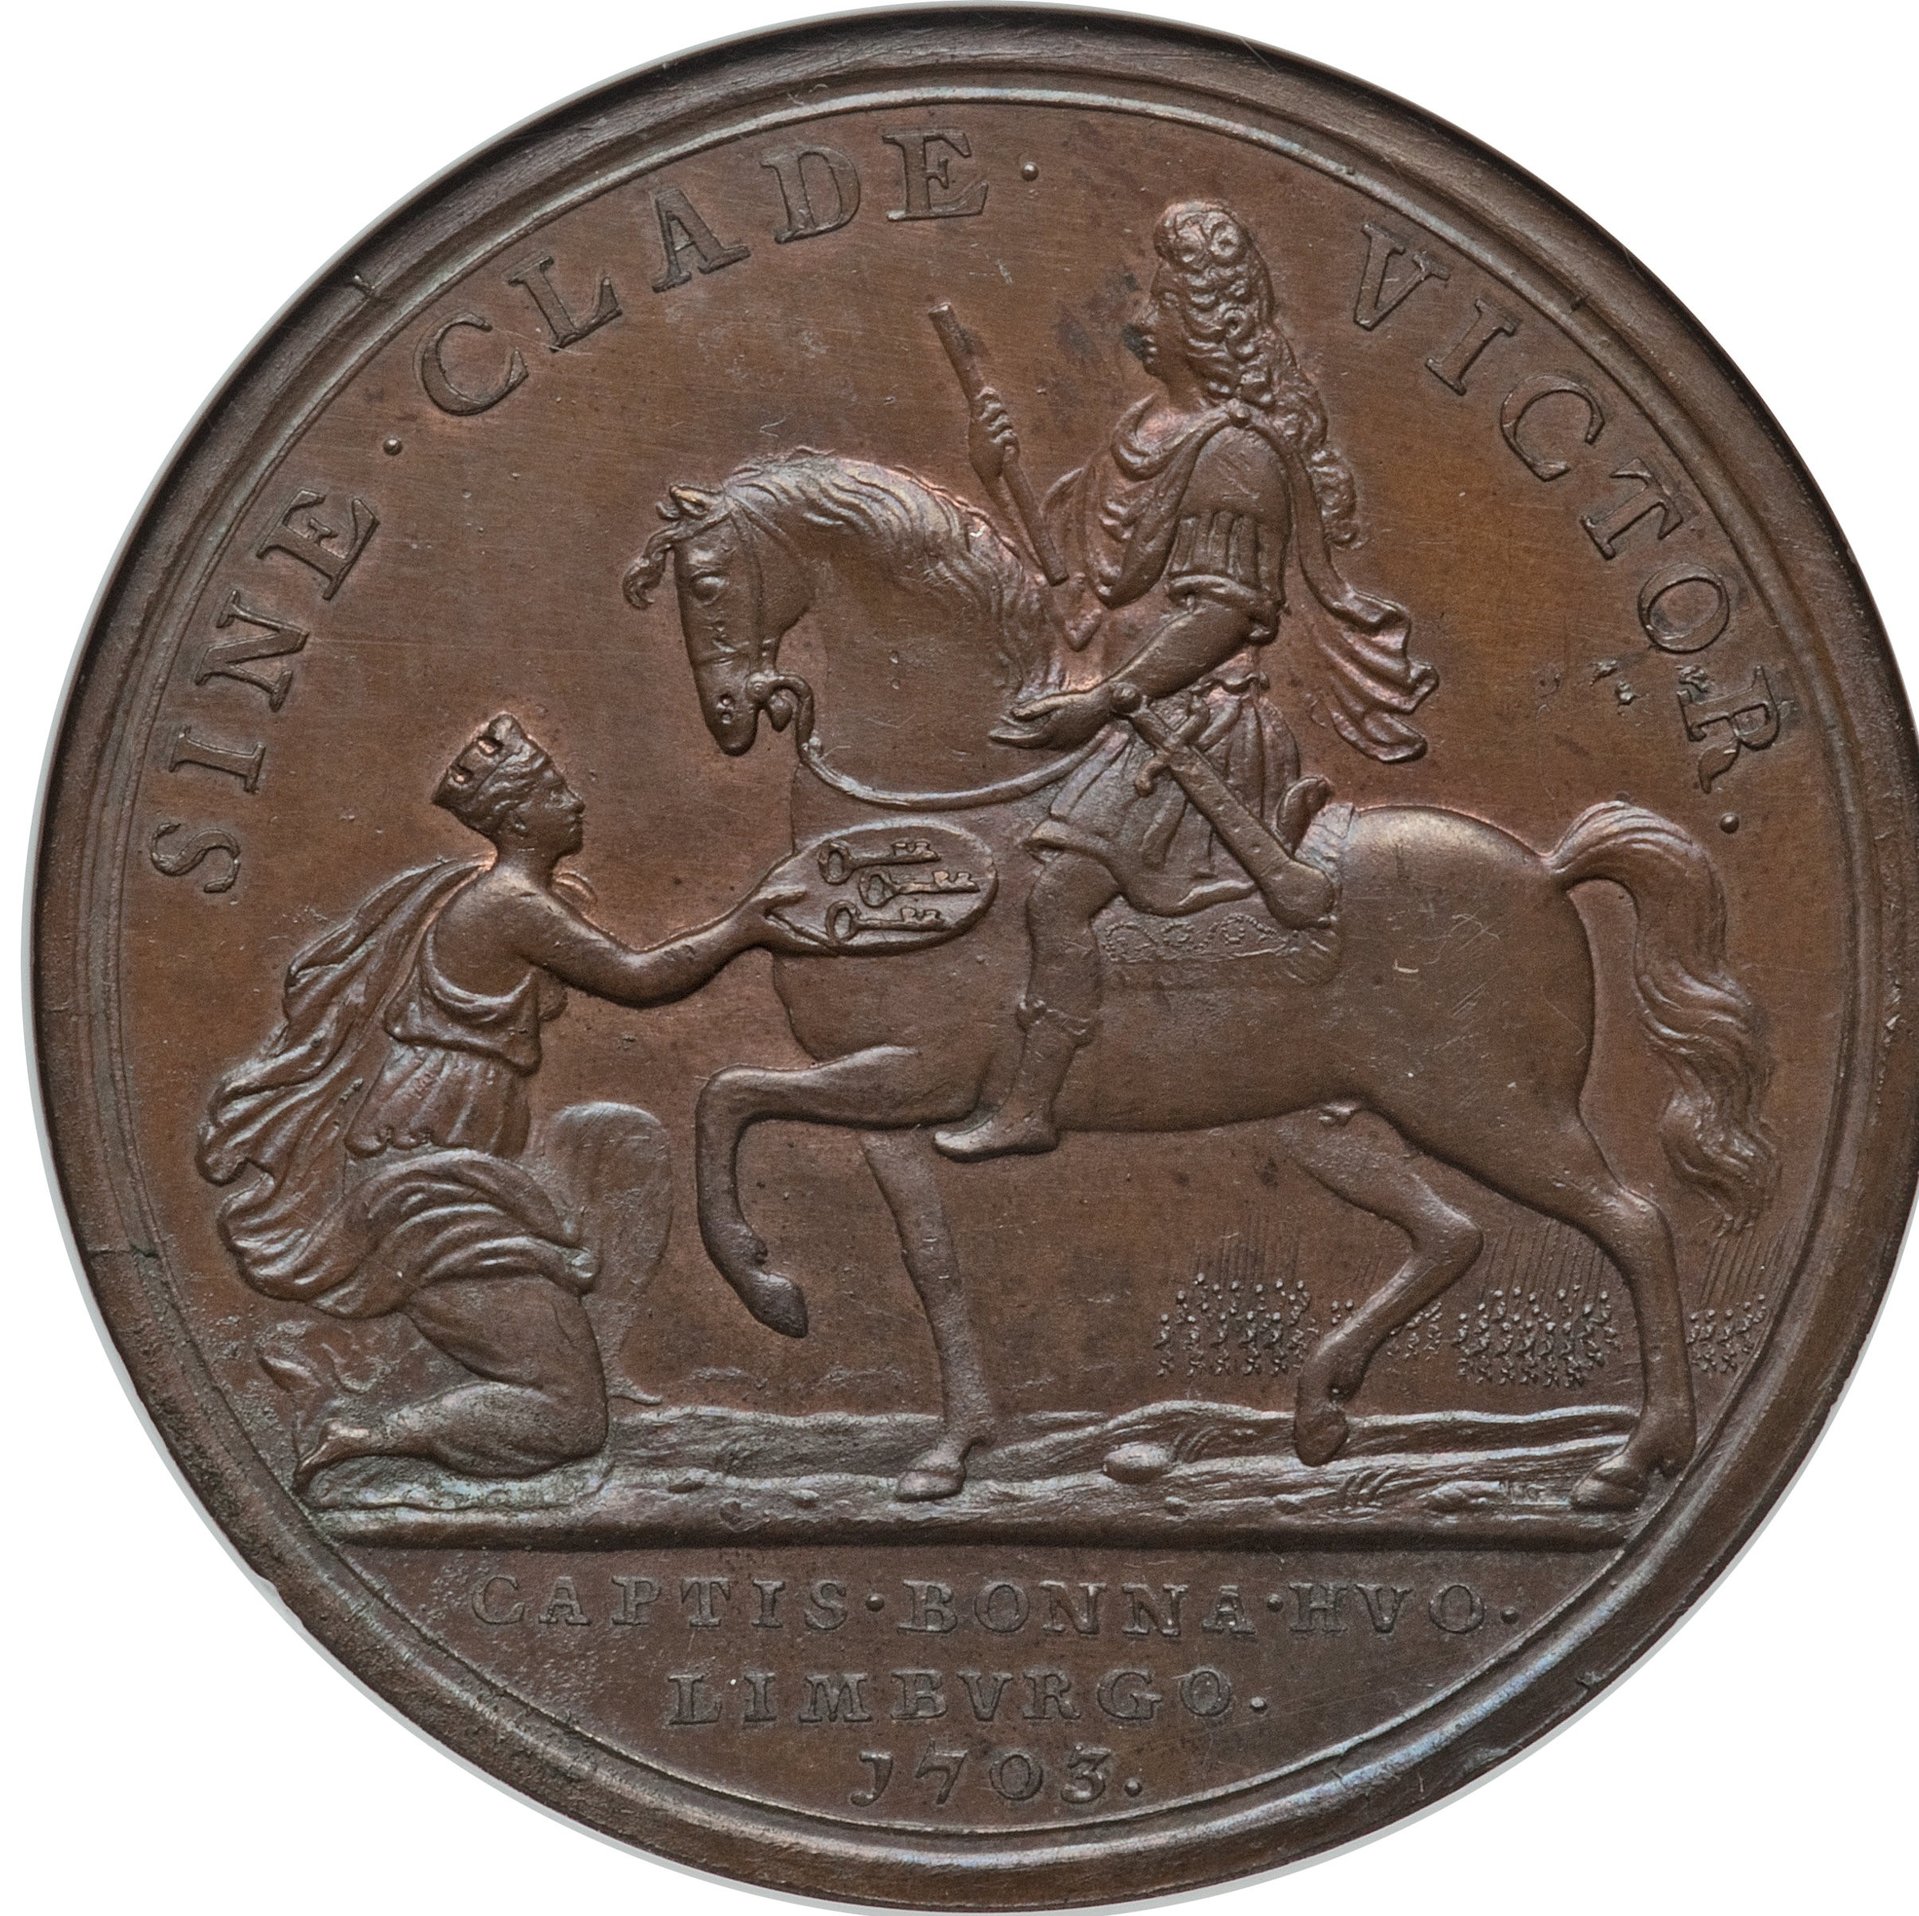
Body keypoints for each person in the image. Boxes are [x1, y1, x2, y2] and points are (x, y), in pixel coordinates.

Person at [934, 199, 1438, 1161]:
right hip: (1128, 715)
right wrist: (995, 473)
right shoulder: (1146, 431)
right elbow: (1084, 600)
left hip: (1198, 728)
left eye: (1161, 301)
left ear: (1202, 324)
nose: (1139, 318)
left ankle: (1032, 1108)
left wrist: (1100, 700)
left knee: (1056, 898)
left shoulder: (1237, 454)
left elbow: (1219, 618)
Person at [199, 713, 817, 1483]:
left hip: (464, 1158)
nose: (575, 803)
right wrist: (745, 925)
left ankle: (582, 1362)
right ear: (520, 819)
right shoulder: (506, 905)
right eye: (556, 792)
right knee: (568, 1421)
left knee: (618, 1141)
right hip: (429, 1176)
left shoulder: (508, 899)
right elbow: (635, 978)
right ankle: (360, 1434)